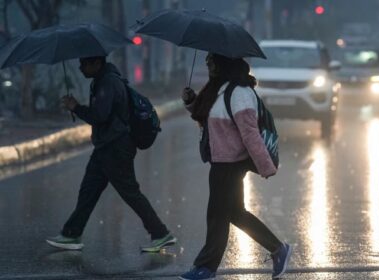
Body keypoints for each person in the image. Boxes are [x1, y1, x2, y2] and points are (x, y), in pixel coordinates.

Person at [179, 53, 292, 280]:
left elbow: (250, 134)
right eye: (207, 61)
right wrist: (191, 102)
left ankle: (206, 267)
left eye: (211, 61)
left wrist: (265, 165)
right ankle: (279, 250)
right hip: (220, 161)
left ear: (224, 63)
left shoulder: (239, 93)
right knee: (236, 214)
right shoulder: (218, 88)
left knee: (216, 215)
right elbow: (206, 116)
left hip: (230, 164)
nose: (207, 64)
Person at [46, 56, 176, 252]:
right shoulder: (103, 80)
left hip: (115, 147)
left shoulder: (108, 82)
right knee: (88, 191)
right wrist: (78, 107)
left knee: (130, 192)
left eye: (84, 64)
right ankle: (71, 234)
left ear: (96, 63)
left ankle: (160, 233)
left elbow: (100, 116)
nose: (81, 68)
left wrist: (76, 107)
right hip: (105, 146)